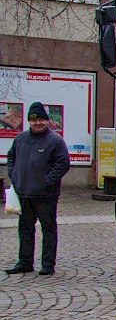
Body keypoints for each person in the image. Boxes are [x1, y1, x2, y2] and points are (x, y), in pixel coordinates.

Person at [5, 102, 71, 275]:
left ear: (47, 121)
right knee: (25, 228)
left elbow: (63, 164)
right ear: (29, 122)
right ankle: (25, 261)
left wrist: (47, 181)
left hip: (46, 194)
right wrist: (14, 175)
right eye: (34, 121)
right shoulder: (21, 138)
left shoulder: (55, 140)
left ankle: (48, 264)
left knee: (48, 228)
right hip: (24, 193)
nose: (38, 123)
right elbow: (11, 157)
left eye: (41, 120)